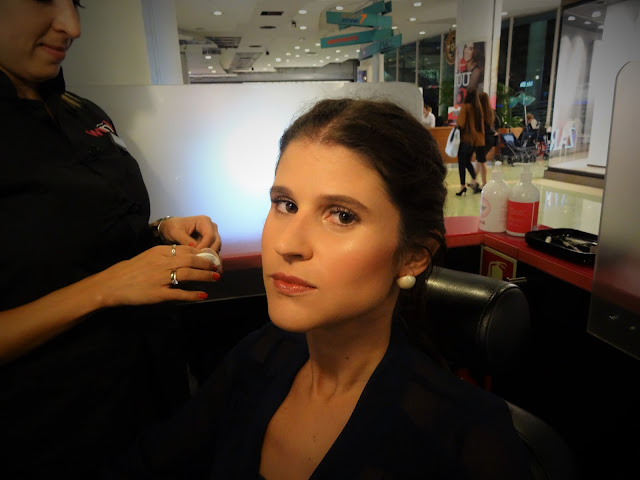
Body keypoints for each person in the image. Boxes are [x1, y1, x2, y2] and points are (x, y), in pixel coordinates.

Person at [101, 98, 532, 479]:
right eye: (285, 204)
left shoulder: (467, 442)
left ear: (413, 256)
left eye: (342, 215)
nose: (287, 245)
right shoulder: (257, 357)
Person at [0, 1, 223, 478]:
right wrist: (106, 288)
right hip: (53, 430)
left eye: (76, 3)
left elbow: (78, 236)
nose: (73, 27)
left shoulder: (82, 112)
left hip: (152, 393)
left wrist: (160, 230)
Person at [455, 88, 485, 195]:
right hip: (474, 141)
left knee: (461, 163)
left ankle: (462, 186)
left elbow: (461, 123)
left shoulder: (466, 107)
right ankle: (475, 181)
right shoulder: (478, 109)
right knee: (467, 162)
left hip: (465, 139)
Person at [479, 91, 501, 182]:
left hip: (482, 138)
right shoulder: (491, 111)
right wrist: (494, 130)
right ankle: (474, 180)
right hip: (490, 139)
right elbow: (499, 123)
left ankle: (483, 183)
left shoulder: (479, 112)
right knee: (479, 160)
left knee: (481, 161)